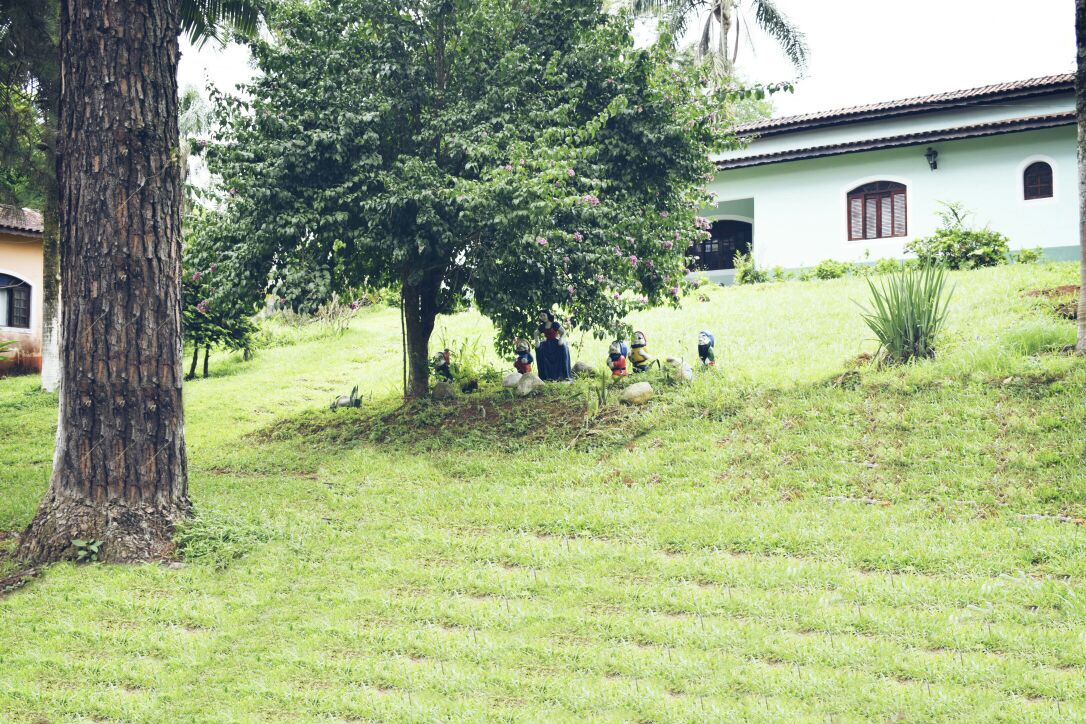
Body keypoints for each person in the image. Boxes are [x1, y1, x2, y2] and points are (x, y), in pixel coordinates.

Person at [535, 310, 572, 380]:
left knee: (562, 347)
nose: (542, 317)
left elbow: (563, 332)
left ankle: (563, 375)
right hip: (547, 344)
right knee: (540, 350)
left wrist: (561, 339)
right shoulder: (542, 326)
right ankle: (546, 376)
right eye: (541, 316)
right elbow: (536, 333)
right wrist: (537, 341)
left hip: (555, 343)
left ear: (548, 315)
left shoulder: (554, 324)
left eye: (544, 315)